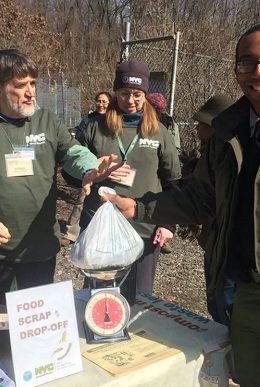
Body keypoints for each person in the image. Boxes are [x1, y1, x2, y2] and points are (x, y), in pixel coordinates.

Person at [101, 23, 260, 387]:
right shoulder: (228, 132)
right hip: (248, 304)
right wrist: (138, 208)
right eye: (247, 63)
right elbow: (200, 200)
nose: (259, 72)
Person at [0, 48, 122, 307]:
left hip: (38, 250)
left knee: (35, 331)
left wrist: (90, 169)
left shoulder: (47, 121)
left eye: (33, 83)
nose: (31, 92)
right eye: (21, 85)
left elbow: (73, 152)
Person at [76, 59, 182, 297]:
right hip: (100, 228)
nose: (131, 101)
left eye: (137, 94)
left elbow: (173, 182)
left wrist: (168, 224)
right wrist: (94, 172)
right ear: (115, 92)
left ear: (145, 94)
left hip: (144, 228)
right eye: (124, 93)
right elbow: (71, 173)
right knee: (98, 299)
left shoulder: (158, 132)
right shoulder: (95, 128)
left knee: (138, 298)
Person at [189, 94, 235, 326]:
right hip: (214, 246)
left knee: (226, 309)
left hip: (228, 252)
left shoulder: (227, 157)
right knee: (216, 304)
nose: (197, 129)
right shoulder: (209, 153)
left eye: (202, 124)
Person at [60, 91, 113, 247]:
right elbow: (79, 145)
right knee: (82, 200)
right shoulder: (88, 122)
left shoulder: (114, 121)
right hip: (91, 170)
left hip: (110, 167)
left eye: (104, 101)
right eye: (98, 101)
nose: (101, 104)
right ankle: (71, 233)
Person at [145, 92, 182, 254]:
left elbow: (174, 147)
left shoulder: (165, 125)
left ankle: (163, 232)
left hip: (165, 166)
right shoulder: (168, 121)